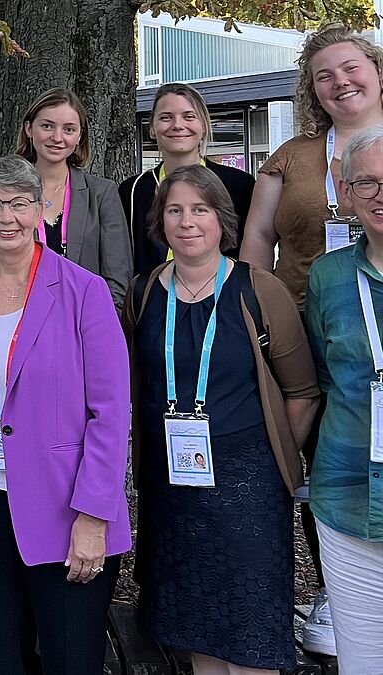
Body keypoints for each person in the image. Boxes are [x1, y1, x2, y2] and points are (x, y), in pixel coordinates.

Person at [125, 164, 319, 674]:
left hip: (246, 486)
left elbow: (301, 391)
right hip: (172, 484)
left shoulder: (260, 290)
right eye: (174, 210)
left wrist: (267, 458)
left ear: (222, 220)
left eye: (200, 209)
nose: (187, 222)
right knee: (195, 624)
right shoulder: (143, 293)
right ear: (160, 222)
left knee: (251, 625)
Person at [0, 155, 131, 674]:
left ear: (40, 208)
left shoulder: (84, 291)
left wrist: (94, 515)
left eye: (20, 204)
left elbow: (111, 413)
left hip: (65, 505)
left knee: (71, 658)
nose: (7, 217)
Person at [239, 25, 383, 654]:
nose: (339, 82)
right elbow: (256, 245)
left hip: (372, 322)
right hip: (307, 322)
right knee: (326, 454)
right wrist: (257, 321)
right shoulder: (294, 156)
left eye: (350, 67)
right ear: (310, 89)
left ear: (376, 70)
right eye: (323, 74)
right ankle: (335, 588)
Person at [304, 126, 383, 671]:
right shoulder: (328, 277)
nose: (382, 195)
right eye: (369, 183)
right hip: (348, 498)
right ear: (348, 194)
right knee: (361, 660)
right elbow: (324, 376)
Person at [119, 82, 256, 276]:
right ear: (152, 127)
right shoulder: (132, 191)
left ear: (204, 125)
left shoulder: (239, 185)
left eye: (189, 116)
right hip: (150, 301)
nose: (177, 125)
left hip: (221, 299)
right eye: (166, 117)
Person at [15, 88, 132, 307]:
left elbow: (118, 279)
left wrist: (99, 329)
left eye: (68, 129)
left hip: (84, 323)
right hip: (21, 321)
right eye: (47, 126)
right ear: (29, 129)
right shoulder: (8, 193)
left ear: (79, 137)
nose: (57, 138)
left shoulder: (102, 193)